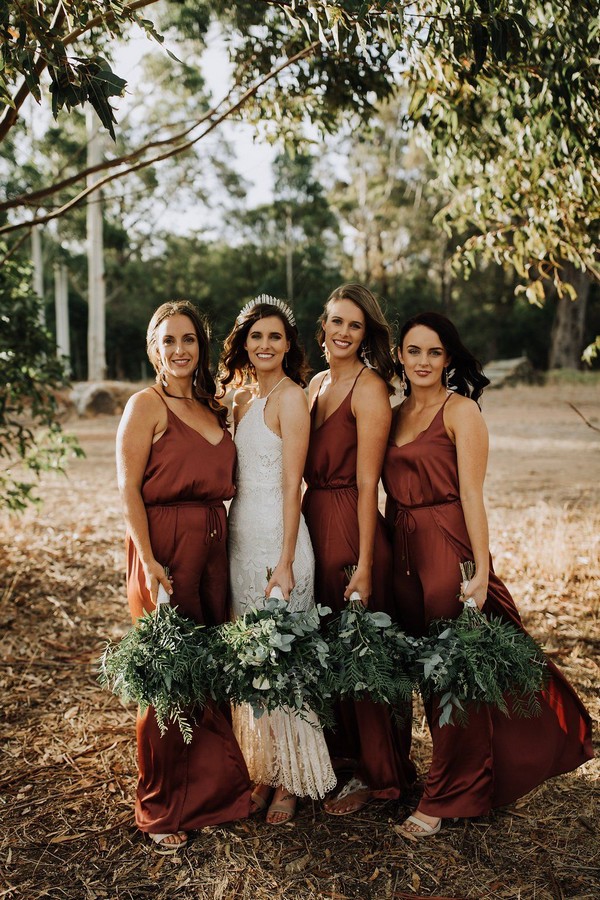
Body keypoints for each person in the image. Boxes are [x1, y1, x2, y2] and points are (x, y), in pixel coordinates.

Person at [383, 311, 594, 839]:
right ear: (400, 357)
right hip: (402, 550)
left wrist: (478, 570)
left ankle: (447, 797)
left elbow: (473, 495)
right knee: (427, 672)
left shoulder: (462, 412)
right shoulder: (392, 412)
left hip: (448, 548)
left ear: (448, 357)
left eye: (434, 352)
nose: (423, 361)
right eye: (413, 351)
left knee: (453, 672)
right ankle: (464, 777)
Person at [116, 300, 252, 853]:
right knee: (168, 673)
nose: (179, 350)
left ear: (201, 346)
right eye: (167, 340)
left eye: (189, 339)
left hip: (216, 545)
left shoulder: (214, 408)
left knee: (208, 666)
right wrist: (148, 561)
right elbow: (127, 490)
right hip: (165, 545)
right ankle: (162, 804)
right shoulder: (144, 405)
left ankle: (210, 793)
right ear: (154, 348)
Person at [220, 295, 336, 825]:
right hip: (241, 543)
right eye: (256, 336)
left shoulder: (291, 399)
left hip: (279, 544)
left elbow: (294, 486)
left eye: (275, 337)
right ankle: (265, 770)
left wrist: (287, 561)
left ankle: (295, 781)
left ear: (289, 346)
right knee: (253, 663)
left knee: (284, 663)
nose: (265, 345)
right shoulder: (240, 399)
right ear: (244, 343)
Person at [302, 283, 416, 815]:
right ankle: (342, 762)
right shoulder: (316, 384)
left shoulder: (369, 388)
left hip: (352, 526)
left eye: (354, 325)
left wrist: (366, 564)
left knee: (361, 651)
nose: (343, 332)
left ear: (366, 333)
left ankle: (380, 773)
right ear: (321, 327)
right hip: (313, 523)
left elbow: (370, 483)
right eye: (335, 321)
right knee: (328, 651)